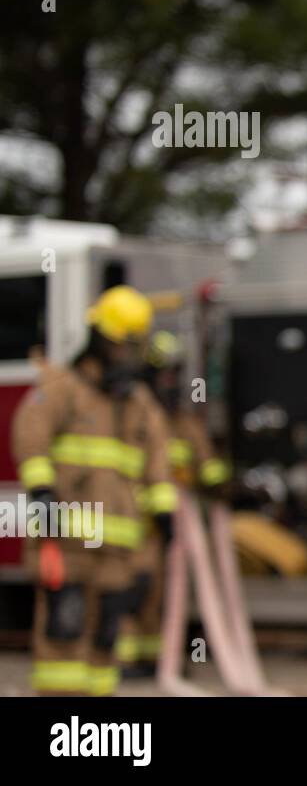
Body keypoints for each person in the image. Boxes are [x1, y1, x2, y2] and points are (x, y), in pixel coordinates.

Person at [12, 286, 177, 696]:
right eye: (121, 346)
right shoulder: (63, 388)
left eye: (132, 348)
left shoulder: (138, 404)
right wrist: (41, 490)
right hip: (66, 544)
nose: (126, 357)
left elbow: (158, 458)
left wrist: (164, 511)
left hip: (118, 551)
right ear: (99, 340)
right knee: (64, 636)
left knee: (107, 641)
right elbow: (30, 433)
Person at [115, 330, 231, 677]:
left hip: (174, 526)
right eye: (163, 373)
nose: (169, 381)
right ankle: (124, 659)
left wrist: (219, 483)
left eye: (174, 373)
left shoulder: (183, 421)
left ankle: (158, 658)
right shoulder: (132, 415)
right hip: (135, 520)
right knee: (133, 588)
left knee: (167, 595)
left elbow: (205, 462)